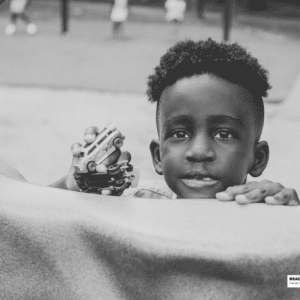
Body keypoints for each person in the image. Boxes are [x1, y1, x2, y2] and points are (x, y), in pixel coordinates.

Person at [54, 38, 299, 206]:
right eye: (180, 134)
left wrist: (288, 218)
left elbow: (292, 282)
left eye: (224, 134)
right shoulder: (132, 204)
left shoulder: (268, 210)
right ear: (158, 157)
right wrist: (70, 188)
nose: (199, 152)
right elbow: (21, 219)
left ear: (258, 159)